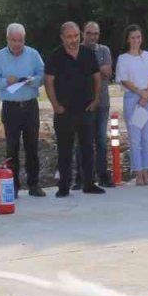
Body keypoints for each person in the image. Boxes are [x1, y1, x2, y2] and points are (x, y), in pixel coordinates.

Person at [46, 22, 106, 197]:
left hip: (86, 109)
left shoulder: (88, 54)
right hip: (64, 112)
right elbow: (49, 81)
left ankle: (89, 184)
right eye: (69, 37)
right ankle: (63, 186)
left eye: (76, 36)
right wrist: (55, 105)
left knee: (88, 148)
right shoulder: (55, 56)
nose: (73, 40)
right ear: (62, 38)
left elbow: (97, 77)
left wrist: (95, 100)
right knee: (65, 150)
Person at [0, 23, 45, 196]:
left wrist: (32, 80)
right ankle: (13, 187)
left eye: (20, 40)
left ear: (24, 39)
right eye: (14, 40)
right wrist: (6, 81)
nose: (17, 44)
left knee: (32, 146)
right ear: (7, 39)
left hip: (30, 106)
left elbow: (43, 75)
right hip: (10, 107)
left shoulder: (33, 54)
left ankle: (34, 185)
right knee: (12, 148)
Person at [117, 25, 148, 185]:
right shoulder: (123, 58)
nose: (136, 40)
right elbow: (124, 79)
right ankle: (138, 173)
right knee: (135, 138)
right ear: (128, 39)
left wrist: (147, 94)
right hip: (133, 98)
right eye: (133, 37)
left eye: (138, 37)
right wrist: (140, 93)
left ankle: (147, 171)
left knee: (147, 137)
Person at [79, 21, 115, 188]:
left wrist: (89, 70)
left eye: (95, 33)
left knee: (100, 140)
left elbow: (107, 73)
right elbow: (76, 75)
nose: (92, 36)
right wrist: (97, 70)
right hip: (82, 104)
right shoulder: (76, 50)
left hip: (102, 103)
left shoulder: (104, 50)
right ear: (82, 33)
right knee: (82, 141)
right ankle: (81, 178)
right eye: (89, 33)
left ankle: (103, 175)